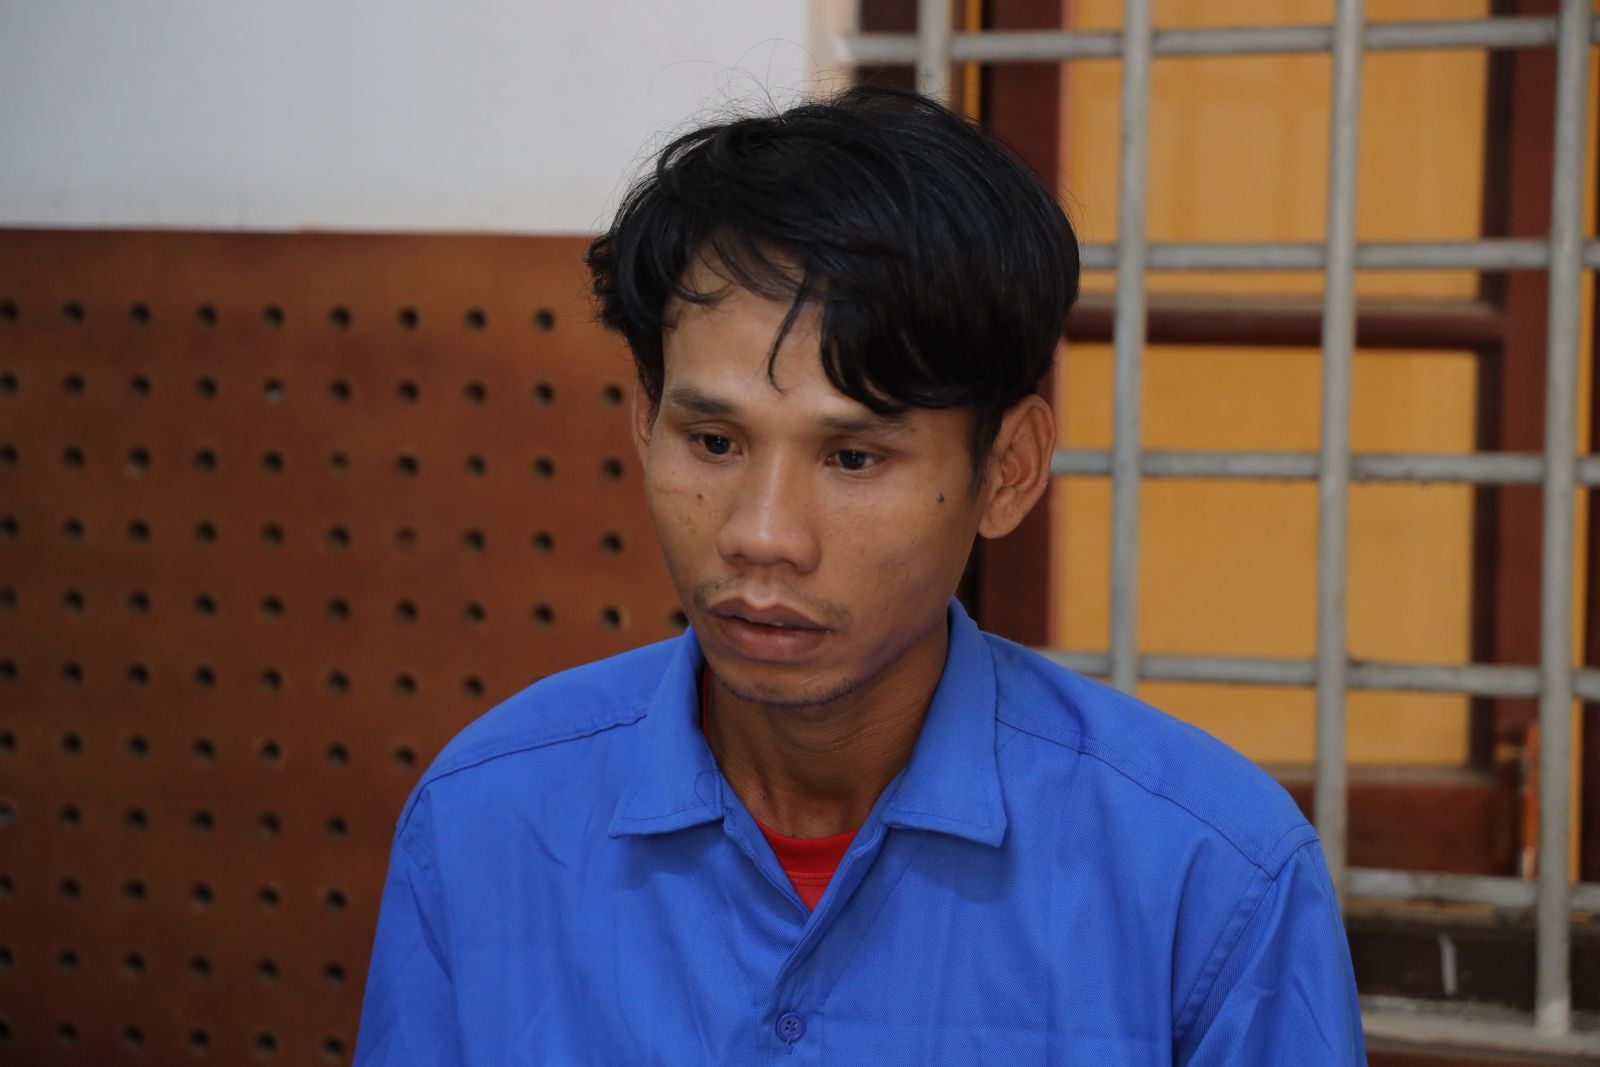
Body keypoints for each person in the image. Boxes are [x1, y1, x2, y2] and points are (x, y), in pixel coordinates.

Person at [352, 85, 1366, 1066]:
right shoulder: (485, 821)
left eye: (852, 457)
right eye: (713, 441)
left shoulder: (1209, 875)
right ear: (644, 424)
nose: (762, 535)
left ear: (1008, 470)